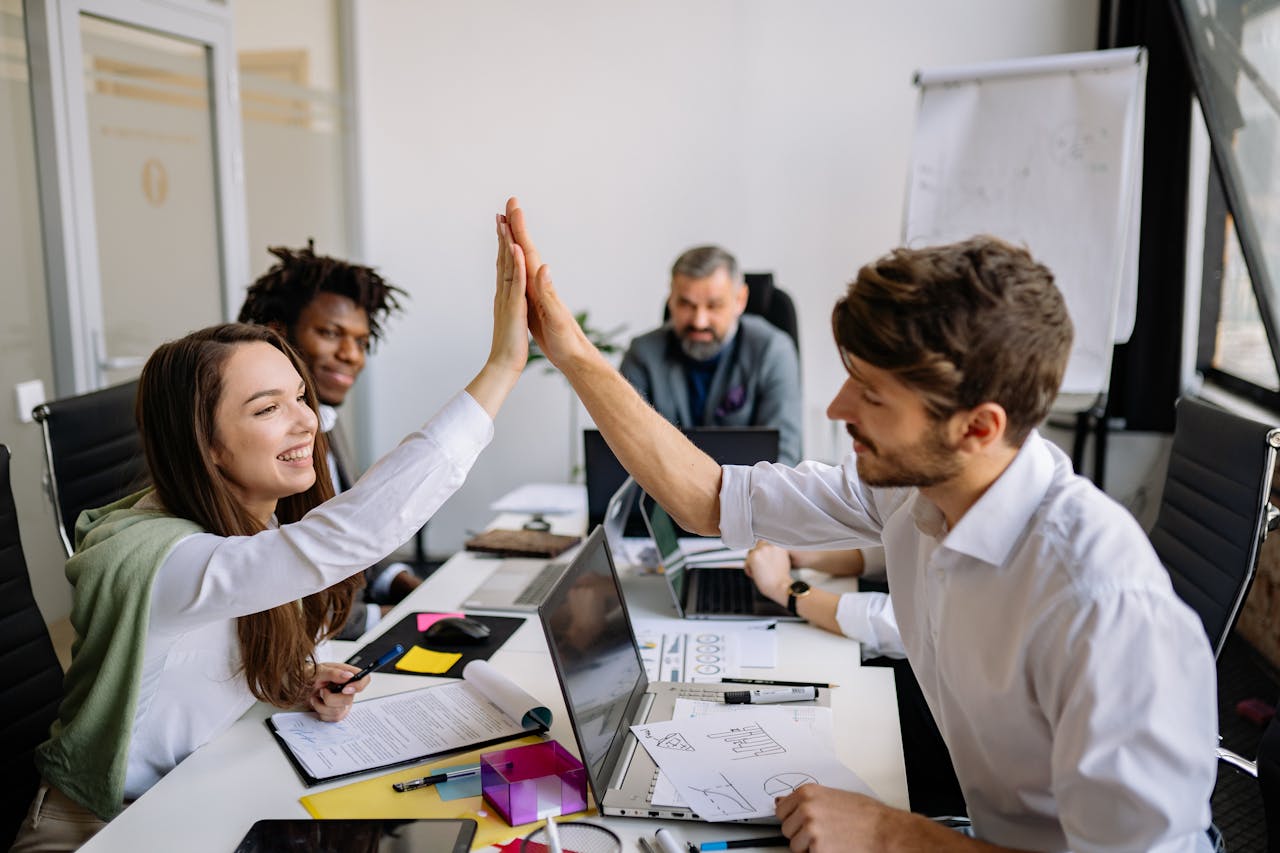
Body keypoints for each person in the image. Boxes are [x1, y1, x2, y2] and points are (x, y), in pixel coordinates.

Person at [507, 197, 1218, 852]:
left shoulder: (1101, 605)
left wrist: (891, 835)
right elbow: (707, 495)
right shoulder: (913, 492)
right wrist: (570, 350)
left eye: (871, 395)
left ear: (977, 427)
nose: (835, 407)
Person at [11, 213, 529, 852]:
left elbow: (200, 663)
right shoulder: (163, 559)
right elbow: (346, 537)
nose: (306, 422)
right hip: (100, 831)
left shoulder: (244, 531)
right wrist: (504, 364)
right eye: (267, 409)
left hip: (194, 797)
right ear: (206, 446)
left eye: (300, 397)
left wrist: (293, 683)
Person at [237, 242, 417, 639]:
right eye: (330, 333)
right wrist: (385, 618)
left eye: (361, 341)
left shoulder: (324, 416)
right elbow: (273, 587)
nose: (351, 355)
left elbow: (348, 528)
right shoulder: (254, 441)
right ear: (278, 332)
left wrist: (403, 582)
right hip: (309, 641)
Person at [620, 245, 802, 465]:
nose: (699, 321)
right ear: (671, 299)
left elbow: (784, 457)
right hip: (659, 497)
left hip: (748, 496)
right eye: (686, 304)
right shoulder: (643, 354)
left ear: (740, 300)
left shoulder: (773, 351)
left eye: (714, 306)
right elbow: (623, 444)